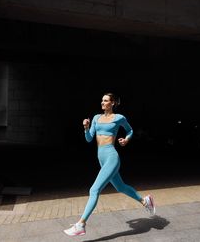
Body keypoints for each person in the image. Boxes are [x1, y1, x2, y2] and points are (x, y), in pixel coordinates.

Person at [63, 93, 155, 237]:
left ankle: (81, 224)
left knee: (94, 190)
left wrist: (126, 139)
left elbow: (130, 130)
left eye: (105, 101)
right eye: (102, 100)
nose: (102, 102)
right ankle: (145, 201)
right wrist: (86, 128)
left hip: (112, 157)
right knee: (121, 187)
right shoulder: (95, 118)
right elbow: (88, 139)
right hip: (102, 159)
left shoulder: (119, 118)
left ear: (112, 103)